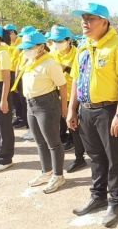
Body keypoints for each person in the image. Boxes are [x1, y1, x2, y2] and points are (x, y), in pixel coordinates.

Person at [66, 3, 118, 227]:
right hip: (85, 109)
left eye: (91, 18)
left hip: (108, 110)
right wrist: (72, 109)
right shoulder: (83, 47)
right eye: (83, 18)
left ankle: (115, 201)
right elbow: (76, 79)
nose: (85, 22)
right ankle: (98, 196)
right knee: (95, 156)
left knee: (114, 157)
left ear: (104, 22)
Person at [14, 30, 68, 193]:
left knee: (53, 142)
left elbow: (63, 85)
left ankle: (58, 175)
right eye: (25, 47)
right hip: (31, 104)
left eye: (30, 47)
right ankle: (46, 172)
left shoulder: (50, 63)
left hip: (46, 104)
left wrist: (64, 107)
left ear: (41, 47)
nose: (26, 50)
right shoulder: (28, 61)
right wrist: (24, 58)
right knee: (39, 141)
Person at [50, 25, 87, 173]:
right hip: (58, 95)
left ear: (69, 40)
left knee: (76, 128)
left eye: (60, 40)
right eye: (55, 41)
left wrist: (63, 67)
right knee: (63, 125)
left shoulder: (78, 53)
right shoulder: (53, 54)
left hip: (75, 96)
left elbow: (73, 73)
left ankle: (79, 158)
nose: (58, 43)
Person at [0, 24, 14, 173]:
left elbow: (7, 79)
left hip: (0, 88)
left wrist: (4, 99)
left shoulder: (2, 53)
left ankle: (5, 158)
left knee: (4, 124)